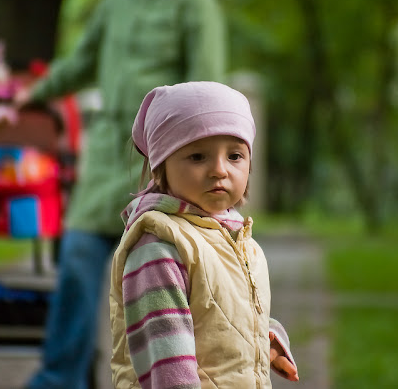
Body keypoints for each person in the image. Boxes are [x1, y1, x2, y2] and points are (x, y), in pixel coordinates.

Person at [15, 0, 226, 388]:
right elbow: (81, 62)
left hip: (161, 157)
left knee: (160, 278)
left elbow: (205, 94)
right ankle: (59, 380)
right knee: (77, 259)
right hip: (106, 155)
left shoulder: (195, 1)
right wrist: (31, 95)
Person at [109, 81, 300, 388]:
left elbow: (225, 318)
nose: (219, 170)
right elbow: (169, 366)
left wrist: (268, 339)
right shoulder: (159, 248)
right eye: (198, 156)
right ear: (160, 167)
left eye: (234, 156)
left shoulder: (237, 239)